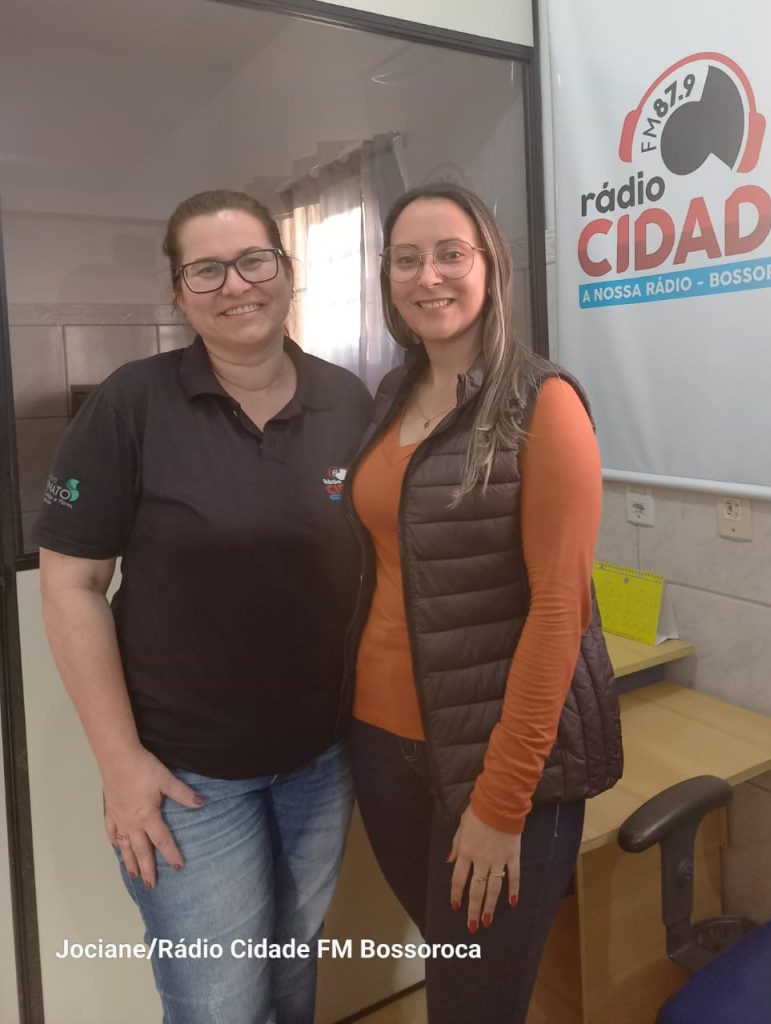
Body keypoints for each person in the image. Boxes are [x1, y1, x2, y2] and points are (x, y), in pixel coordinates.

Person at [35, 189, 372, 1024]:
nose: (237, 285)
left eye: (254, 261)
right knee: (220, 1004)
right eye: (207, 270)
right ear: (179, 294)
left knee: (291, 978)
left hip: (321, 759)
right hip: (186, 778)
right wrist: (121, 768)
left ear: (285, 270)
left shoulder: (346, 401)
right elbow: (72, 584)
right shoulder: (131, 404)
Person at [343, 183, 623, 1023]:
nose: (427, 276)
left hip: (501, 769)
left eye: (449, 254)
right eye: (406, 259)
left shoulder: (544, 402)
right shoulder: (392, 396)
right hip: (382, 747)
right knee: (456, 970)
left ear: (490, 266)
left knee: (470, 1007)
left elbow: (559, 612)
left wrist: (501, 803)